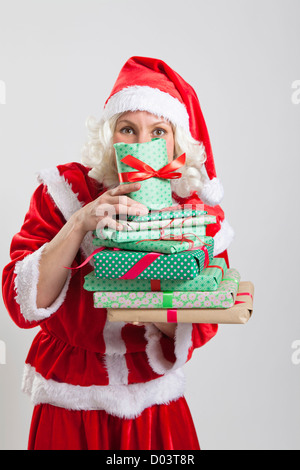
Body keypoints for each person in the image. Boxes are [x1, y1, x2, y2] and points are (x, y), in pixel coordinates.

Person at [2, 56, 234, 450]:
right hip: (67, 397)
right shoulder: (62, 192)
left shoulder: (193, 214)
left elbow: (202, 323)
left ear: (177, 142)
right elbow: (22, 303)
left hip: (154, 404)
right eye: (128, 129)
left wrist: (147, 261)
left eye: (158, 132)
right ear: (111, 137)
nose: (143, 146)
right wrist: (80, 223)